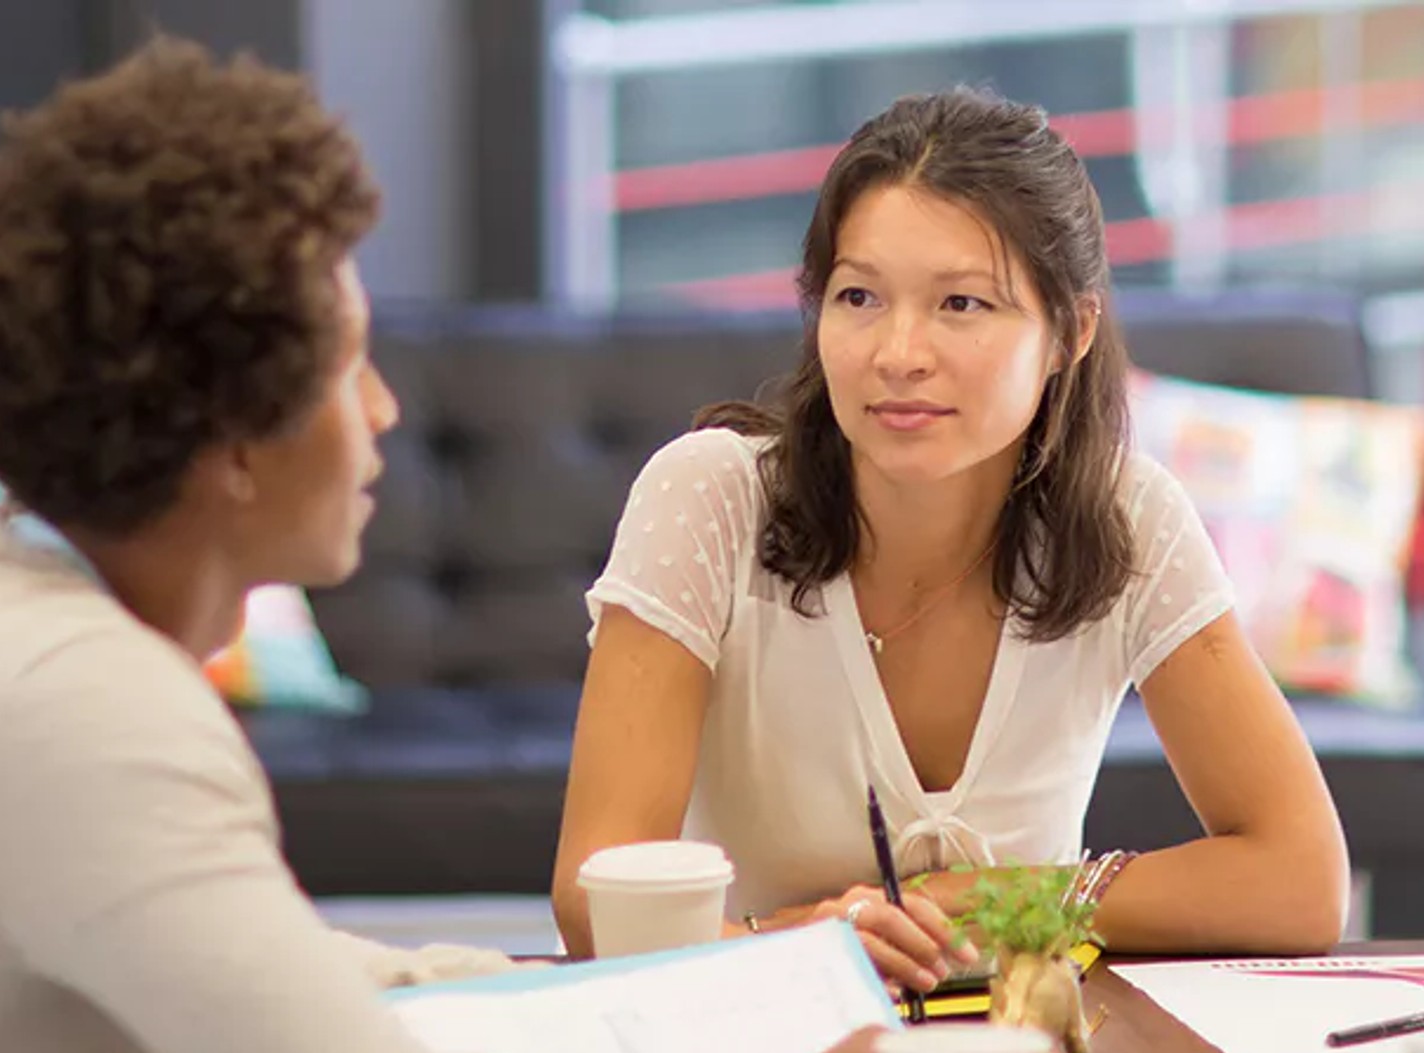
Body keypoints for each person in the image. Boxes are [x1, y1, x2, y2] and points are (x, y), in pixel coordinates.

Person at [0, 41, 886, 1053]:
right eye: (349, 367)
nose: (385, 411)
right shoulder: (81, 712)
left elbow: (260, 964)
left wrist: (519, 985)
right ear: (232, 440)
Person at [551, 88, 1352, 987]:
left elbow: (1301, 882)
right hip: (756, 1046)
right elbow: (596, 900)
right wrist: (805, 948)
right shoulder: (710, 497)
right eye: (859, 295)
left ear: (1070, 332)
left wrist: (1006, 897)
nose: (898, 352)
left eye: (962, 304)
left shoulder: (1127, 519)